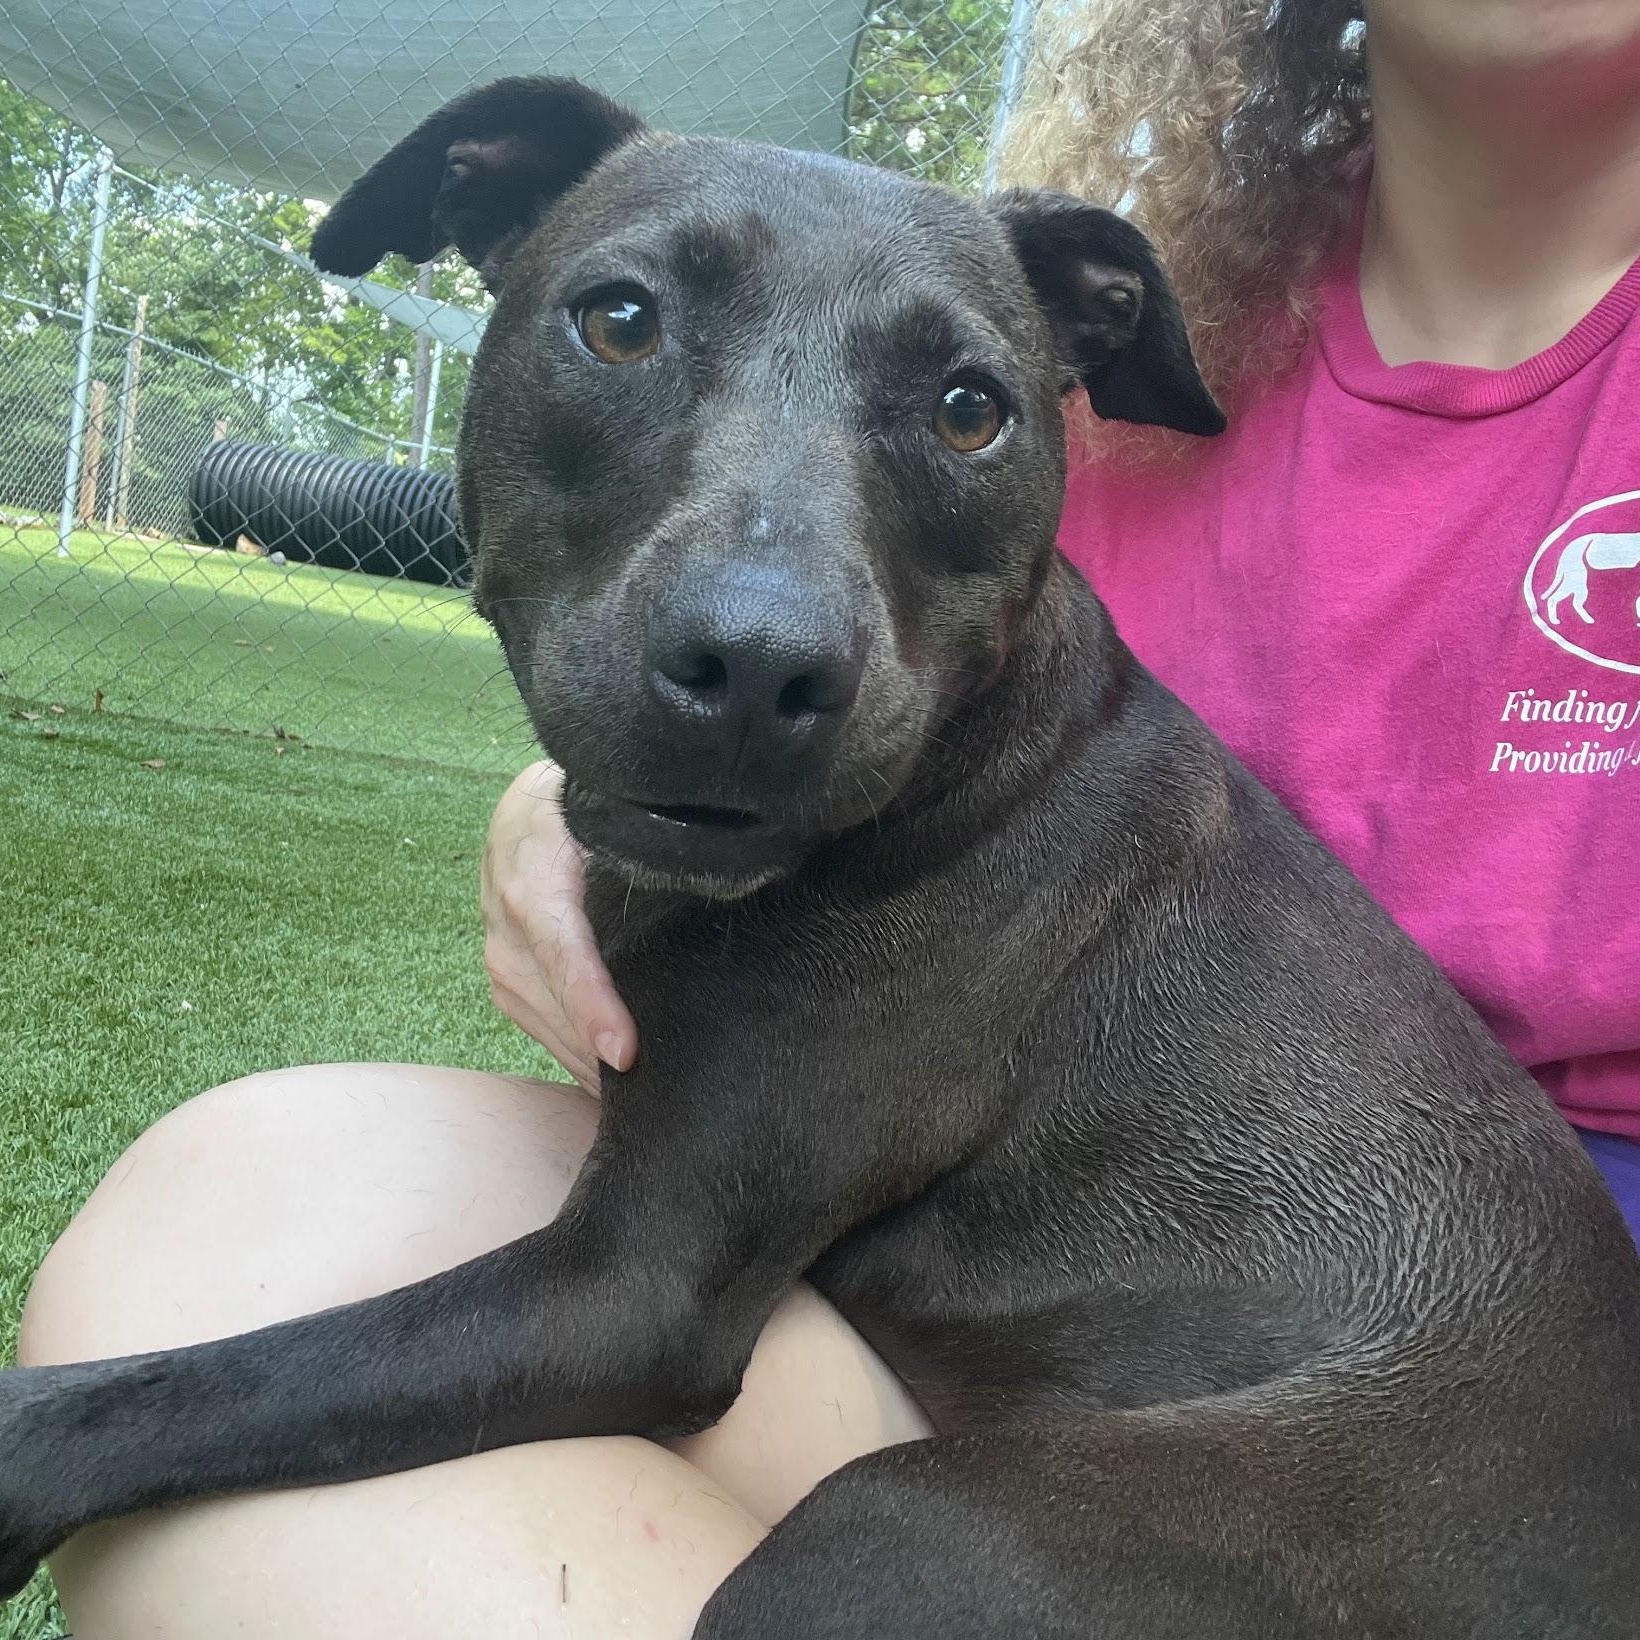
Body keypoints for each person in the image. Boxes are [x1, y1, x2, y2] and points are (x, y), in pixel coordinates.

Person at [19, 1, 1640, 1634]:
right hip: (1078, 1372)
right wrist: (562, 803)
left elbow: (644, 1313)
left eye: (955, 414)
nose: (771, 621)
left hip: (1445, 1479)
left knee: (887, 1558)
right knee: (252, 1188)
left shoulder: (1050, 797)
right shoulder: (1213, 332)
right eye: (627, 320)